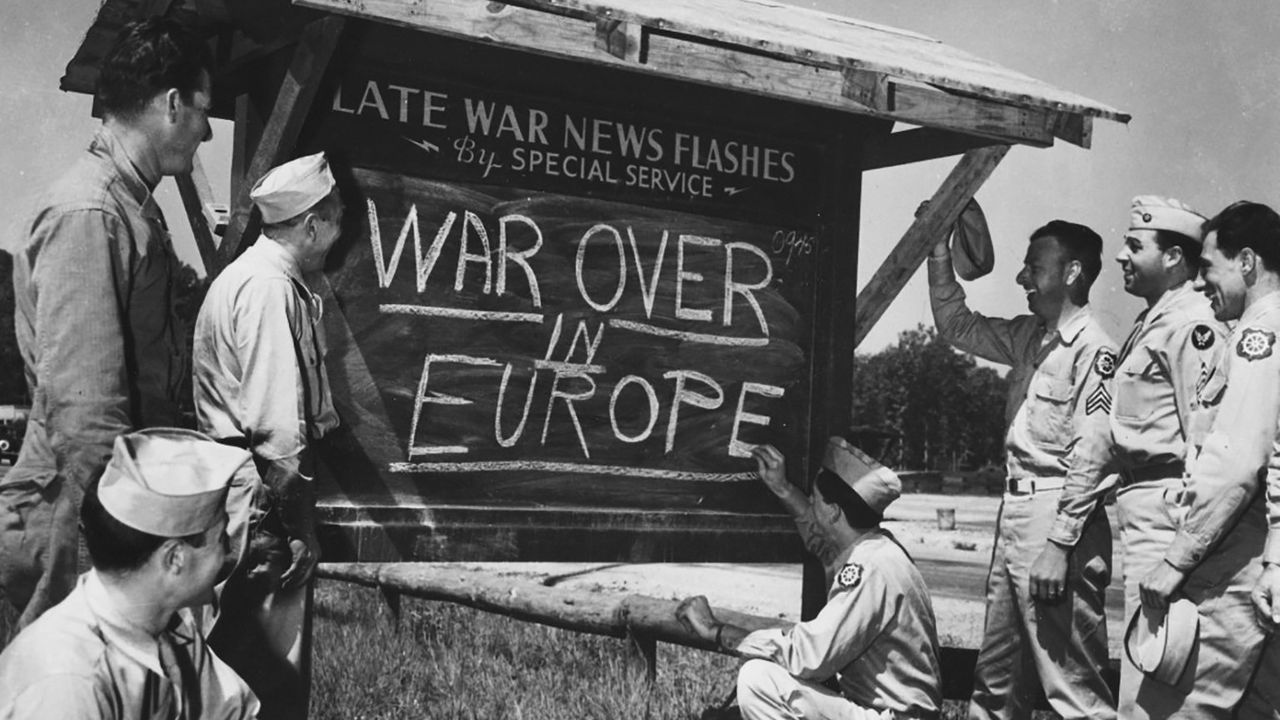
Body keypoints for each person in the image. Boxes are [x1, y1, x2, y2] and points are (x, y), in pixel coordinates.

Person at [0, 17, 214, 628]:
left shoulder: (126, 205)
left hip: (109, 506)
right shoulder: (90, 211)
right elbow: (87, 408)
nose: (204, 131)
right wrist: (123, 551)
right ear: (173, 105)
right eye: (204, 111)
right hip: (87, 516)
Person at [1023, 196, 1229, 717]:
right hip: (1142, 516)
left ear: (1175, 259)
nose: (1120, 256)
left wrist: (1184, 546)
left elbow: (1206, 444)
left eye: (1136, 245)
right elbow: (1101, 438)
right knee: (1144, 682)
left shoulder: (1191, 325)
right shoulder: (1149, 323)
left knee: (1160, 690)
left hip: (1169, 516)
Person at [928, 218, 1117, 719]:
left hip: (1058, 519)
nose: (1022, 278)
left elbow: (1095, 455)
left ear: (1072, 272)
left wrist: (1059, 544)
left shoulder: (1094, 350)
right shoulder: (1028, 337)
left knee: (1070, 683)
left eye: (1035, 267)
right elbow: (956, 325)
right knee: (996, 680)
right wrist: (939, 255)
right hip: (1016, 512)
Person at [192, 151, 343, 719]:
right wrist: (301, 527)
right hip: (260, 504)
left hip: (235, 492)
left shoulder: (250, 279)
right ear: (311, 224)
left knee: (234, 667)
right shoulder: (270, 290)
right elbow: (279, 431)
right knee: (263, 678)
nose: (340, 229)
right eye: (336, 217)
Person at [0, 428, 259, 719]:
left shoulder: (168, 627)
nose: (228, 554)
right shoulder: (65, 681)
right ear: (175, 559)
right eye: (222, 539)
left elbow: (236, 711)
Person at [676, 439, 941, 720]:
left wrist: (715, 630)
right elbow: (822, 542)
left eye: (815, 499)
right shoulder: (876, 549)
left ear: (834, 511)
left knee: (758, 680)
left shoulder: (871, 569)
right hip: (884, 712)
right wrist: (783, 488)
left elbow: (808, 655)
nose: (811, 504)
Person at [1136, 201, 1280, 718]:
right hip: (1266, 559)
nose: (1199, 285)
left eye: (1208, 268)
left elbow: (1237, 463)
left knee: (1176, 707)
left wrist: (1177, 559)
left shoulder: (1260, 336)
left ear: (1247, 262)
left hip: (1235, 559)